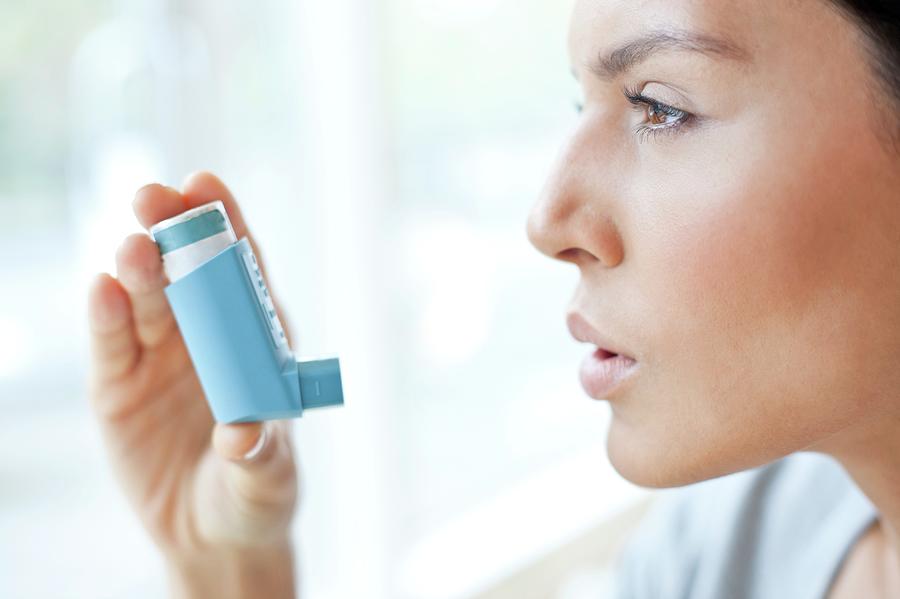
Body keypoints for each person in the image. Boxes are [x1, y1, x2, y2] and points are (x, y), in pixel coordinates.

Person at [86, 0, 900, 597]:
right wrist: (231, 568)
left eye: (661, 106)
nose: (547, 221)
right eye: (583, 105)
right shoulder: (727, 554)